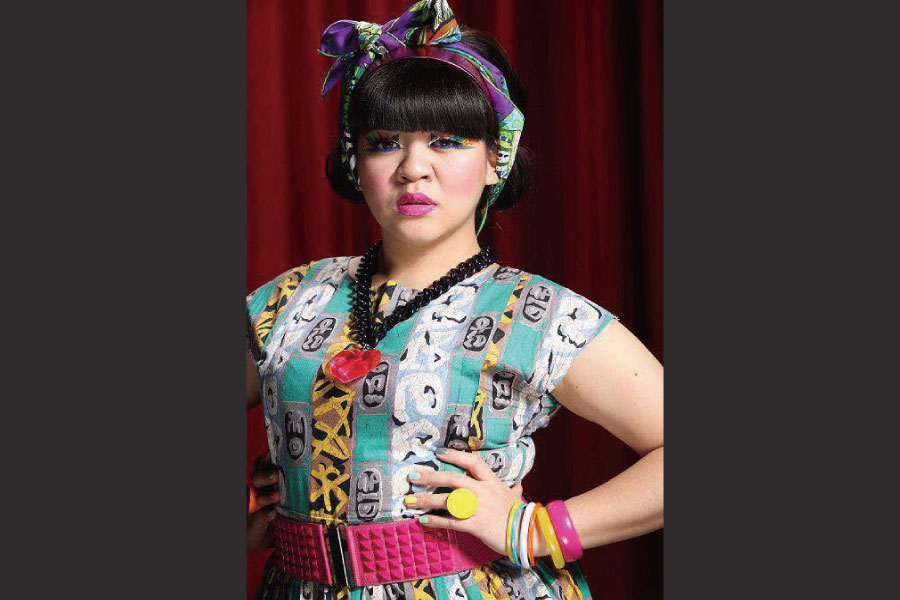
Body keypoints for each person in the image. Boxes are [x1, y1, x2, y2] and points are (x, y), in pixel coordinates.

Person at [246, 2, 663, 599]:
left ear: (496, 158)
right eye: (384, 142)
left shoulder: (539, 314)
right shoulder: (289, 300)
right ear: (355, 161)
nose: (413, 169)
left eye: (447, 141)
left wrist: (535, 530)